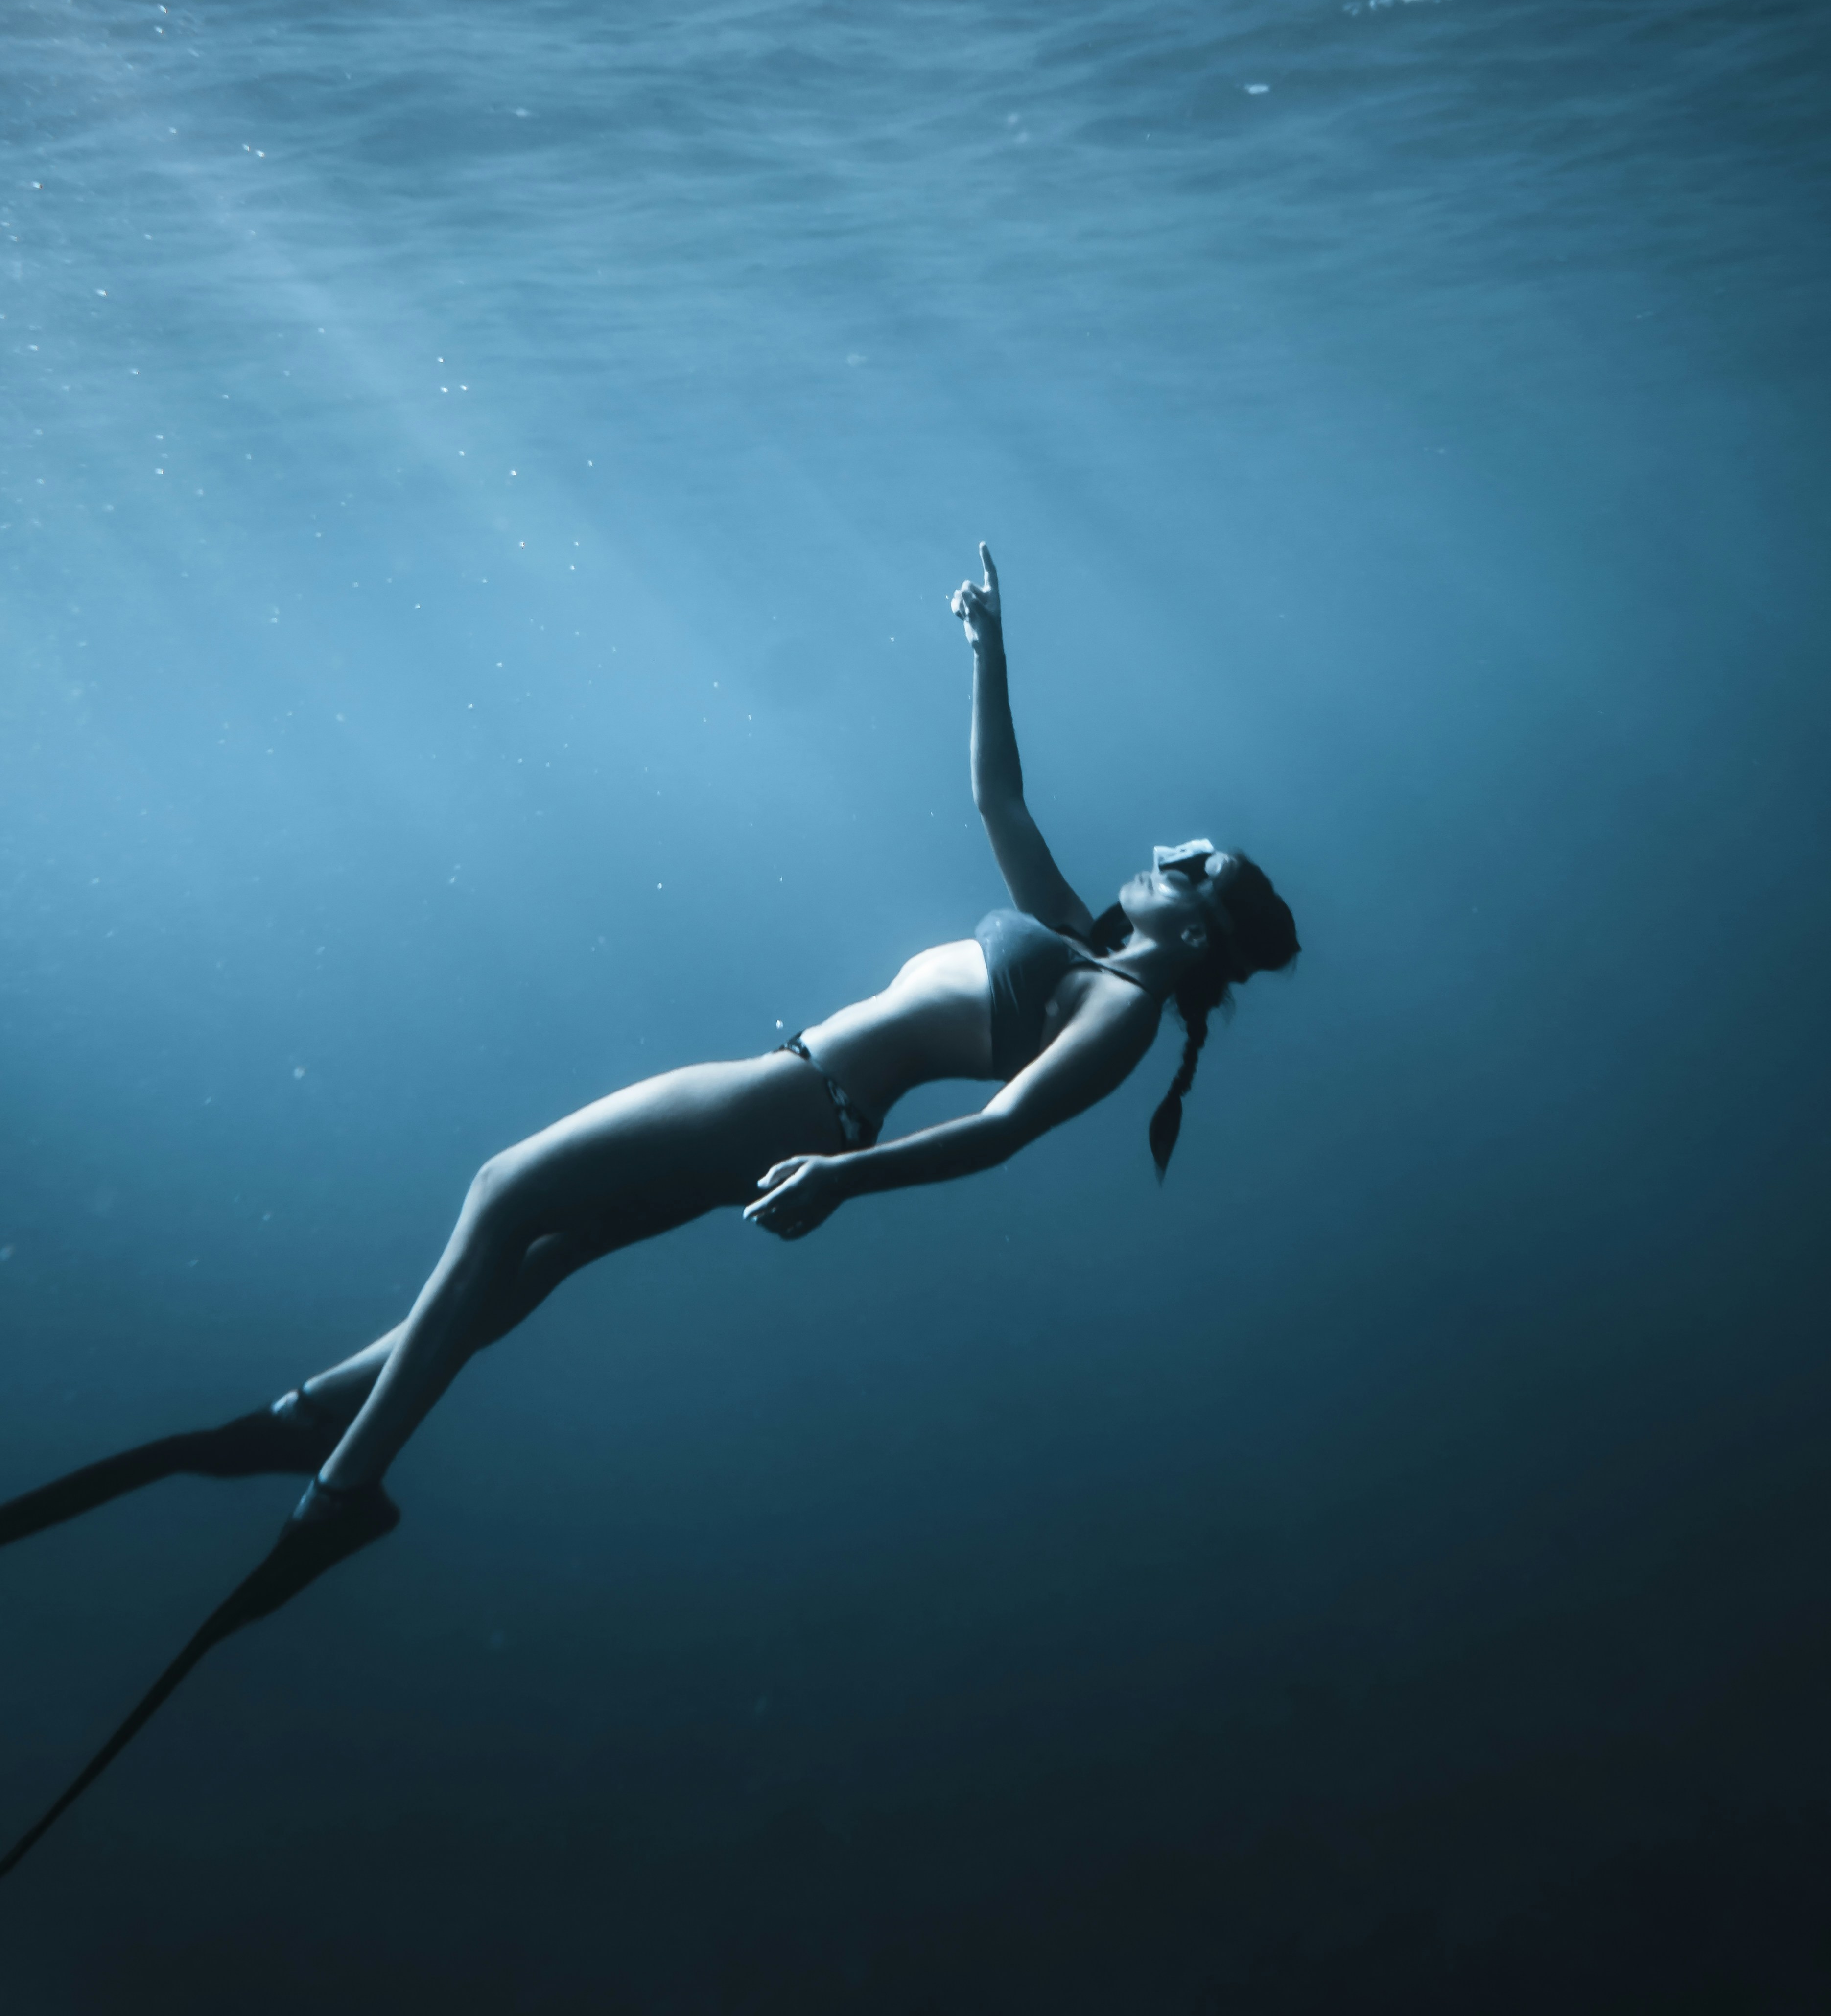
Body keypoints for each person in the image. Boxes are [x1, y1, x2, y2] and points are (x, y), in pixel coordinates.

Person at [3, 546, 1300, 1589]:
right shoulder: (1083, 943)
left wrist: (846, 1181)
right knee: (543, 1247)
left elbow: (1007, 1126)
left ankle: (341, 1487)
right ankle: (325, 1409)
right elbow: (998, 801)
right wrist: (989, 651)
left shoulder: (1123, 1012)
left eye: (1194, 868)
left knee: (505, 1188)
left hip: (801, 1102)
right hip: (808, 1104)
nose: (1170, 854)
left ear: (1198, 932)